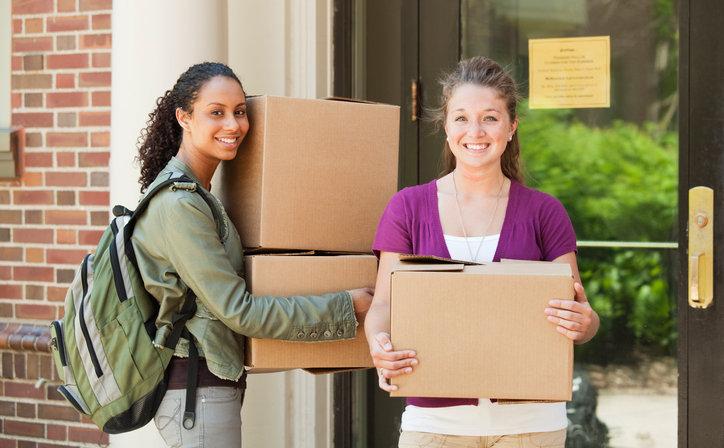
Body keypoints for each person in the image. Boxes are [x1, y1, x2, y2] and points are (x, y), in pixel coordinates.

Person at [132, 61, 374, 448]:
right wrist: (346, 305)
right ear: (184, 117)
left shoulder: (199, 195)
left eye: (240, 112)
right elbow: (239, 311)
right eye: (217, 112)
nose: (234, 125)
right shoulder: (180, 207)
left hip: (205, 390)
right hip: (197, 393)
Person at [366, 56, 600, 447]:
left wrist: (584, 323)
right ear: (445, 127)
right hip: (435, 424)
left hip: (532, 424)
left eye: (490, 118)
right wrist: (379, 346)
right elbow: (384, 305)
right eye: (461, 118)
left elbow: (583, 318)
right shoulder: (407, 208)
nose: (475, 131)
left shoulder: (545, 212)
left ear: (511, 127)